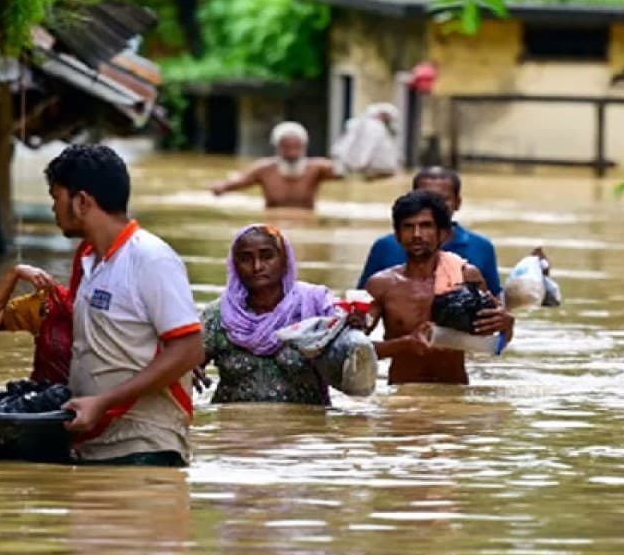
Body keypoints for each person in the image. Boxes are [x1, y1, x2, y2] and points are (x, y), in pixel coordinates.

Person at [0, 144, 204, 467]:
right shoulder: (87, 261)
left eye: (56, 198)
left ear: (81, 202)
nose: (53, 208)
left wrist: (104, 401)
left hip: (145, 449)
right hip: (92, 446)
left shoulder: (150, 258)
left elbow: (190, 350)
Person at [199, 224, 362, 405]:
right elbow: (186, 364)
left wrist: (353, 332)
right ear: (234, 265)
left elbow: (355, 366)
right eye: (246, 259)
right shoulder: (219, 316)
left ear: (285, 260)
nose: (257, 266)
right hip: (236, 429)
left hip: (303, 430)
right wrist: (188, 372)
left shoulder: (316, 307)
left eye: (267, 256)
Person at [366, 190, 515, 385]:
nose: (417, 234)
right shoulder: (381, 285)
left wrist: (506, 325)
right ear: (397, 235)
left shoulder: (466, 277)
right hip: (402, 397)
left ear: (443, 234)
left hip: (454, 396)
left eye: (426, 226)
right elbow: (354, 349)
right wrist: (403, 345)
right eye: (408, 227)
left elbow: (491, 343)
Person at [357, 166, 502, 297]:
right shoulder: (385, 247)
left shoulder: (479, 252)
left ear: (457, 202)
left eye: (442, 199)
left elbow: (493, 306)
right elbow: (362, 305)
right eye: (425, 198)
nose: (417, 235)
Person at [209, 122, 340, 209]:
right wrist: (221, 187)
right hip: (272, 221)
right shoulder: (263, 169)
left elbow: (343, 172)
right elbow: (238, 183)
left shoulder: (317, 168)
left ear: (304, 146)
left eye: (296, 146)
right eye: (287, 146)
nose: (292, 152)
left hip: (306, 220)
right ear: (277, 147)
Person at [331, 102, 400, 179]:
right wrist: (357, 164)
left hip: (375, 170)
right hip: (372, 170)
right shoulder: (373, 125)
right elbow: (365, 147)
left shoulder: (370, 125)